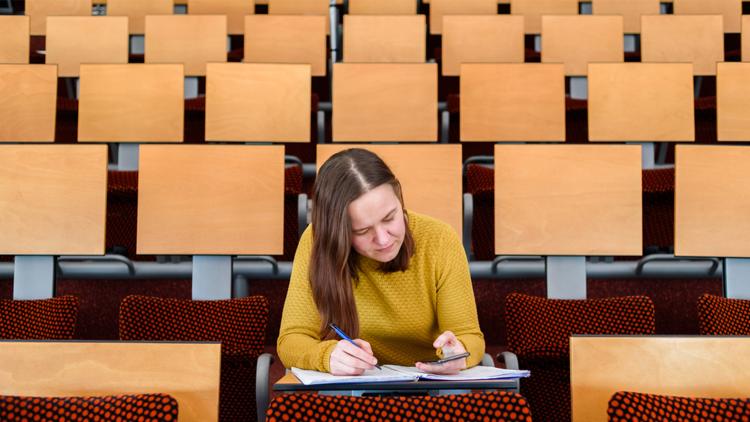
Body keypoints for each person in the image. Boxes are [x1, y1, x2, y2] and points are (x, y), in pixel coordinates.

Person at [277, 148, 484, 376]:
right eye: (362, 230)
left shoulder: (439, 238)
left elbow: (469, 335)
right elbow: (291, 340)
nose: (383, 239)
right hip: (349, 390)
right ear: (337, 233)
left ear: (399, 198)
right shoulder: (316, 241)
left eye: (390, 218)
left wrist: (459, 351)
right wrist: (327, 355)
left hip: (429, 386)